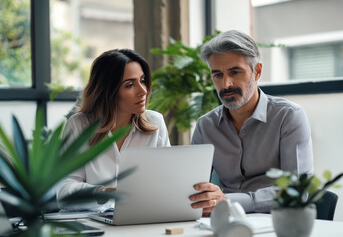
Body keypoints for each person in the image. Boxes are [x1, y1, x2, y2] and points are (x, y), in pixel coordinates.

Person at [189, 30, 313, 216]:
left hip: (276, 223)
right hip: (223, 225)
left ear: (257, 71)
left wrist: (228, 201)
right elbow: (192, 190)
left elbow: (296, 191)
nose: (226, 84)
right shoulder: (206, 126)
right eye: (217, 75)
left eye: (235, 72)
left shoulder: (288, 117)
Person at [57, 49, 170, 211]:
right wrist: (102, 193)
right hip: (92, 224)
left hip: (141, 218)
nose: (143, 91)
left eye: (143, 80)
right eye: (130, 85)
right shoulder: (79, 125)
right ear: (107, 91)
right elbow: (64, 192)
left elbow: (167, 181)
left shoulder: (155, 122)